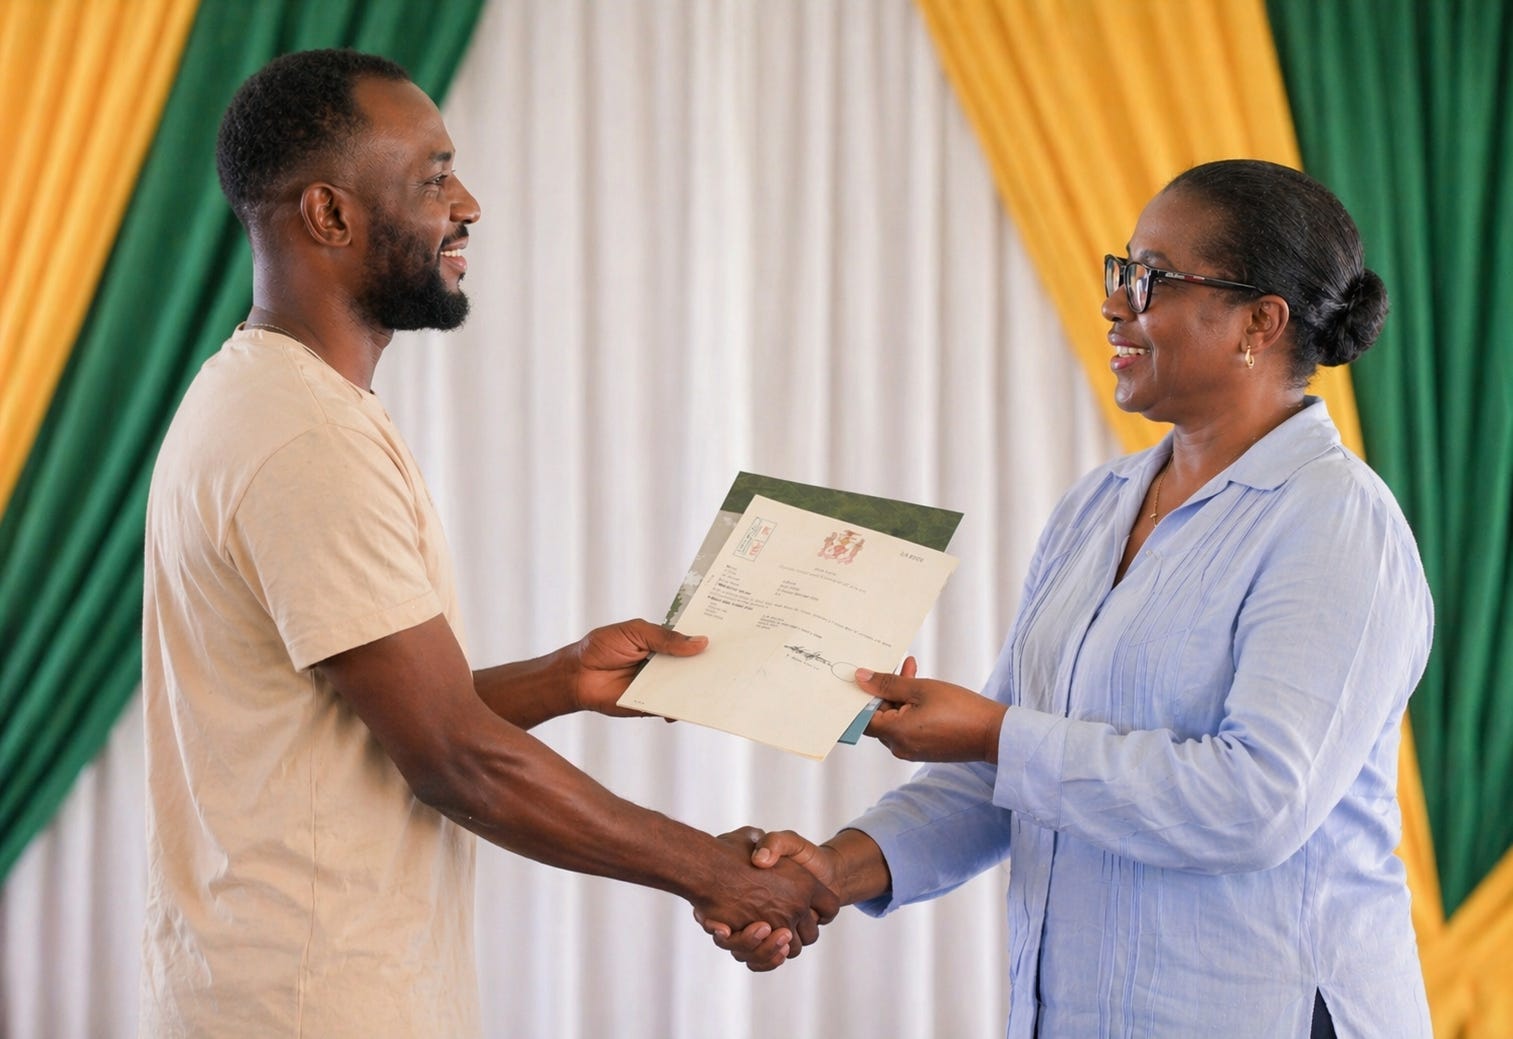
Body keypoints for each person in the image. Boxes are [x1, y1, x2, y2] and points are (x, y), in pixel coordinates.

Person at [140, 48, 835, 1037]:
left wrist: (561, 678)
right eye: (431, 177)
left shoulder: (278, 399)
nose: (466, 203)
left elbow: (366, 719)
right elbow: (452, 757)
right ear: (329, 215)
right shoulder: (301, 437)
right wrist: (715, 872)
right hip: (309, 1003)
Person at [704, 159, 1433, 1038]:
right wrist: (829, 869)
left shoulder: (1334, 524)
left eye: (1151, 277)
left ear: (1259, 322)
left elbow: (1253, 805)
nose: (1114, 302)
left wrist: (990, 731)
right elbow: (1000, 775)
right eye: (1119, 269)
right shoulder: (1098, 505)